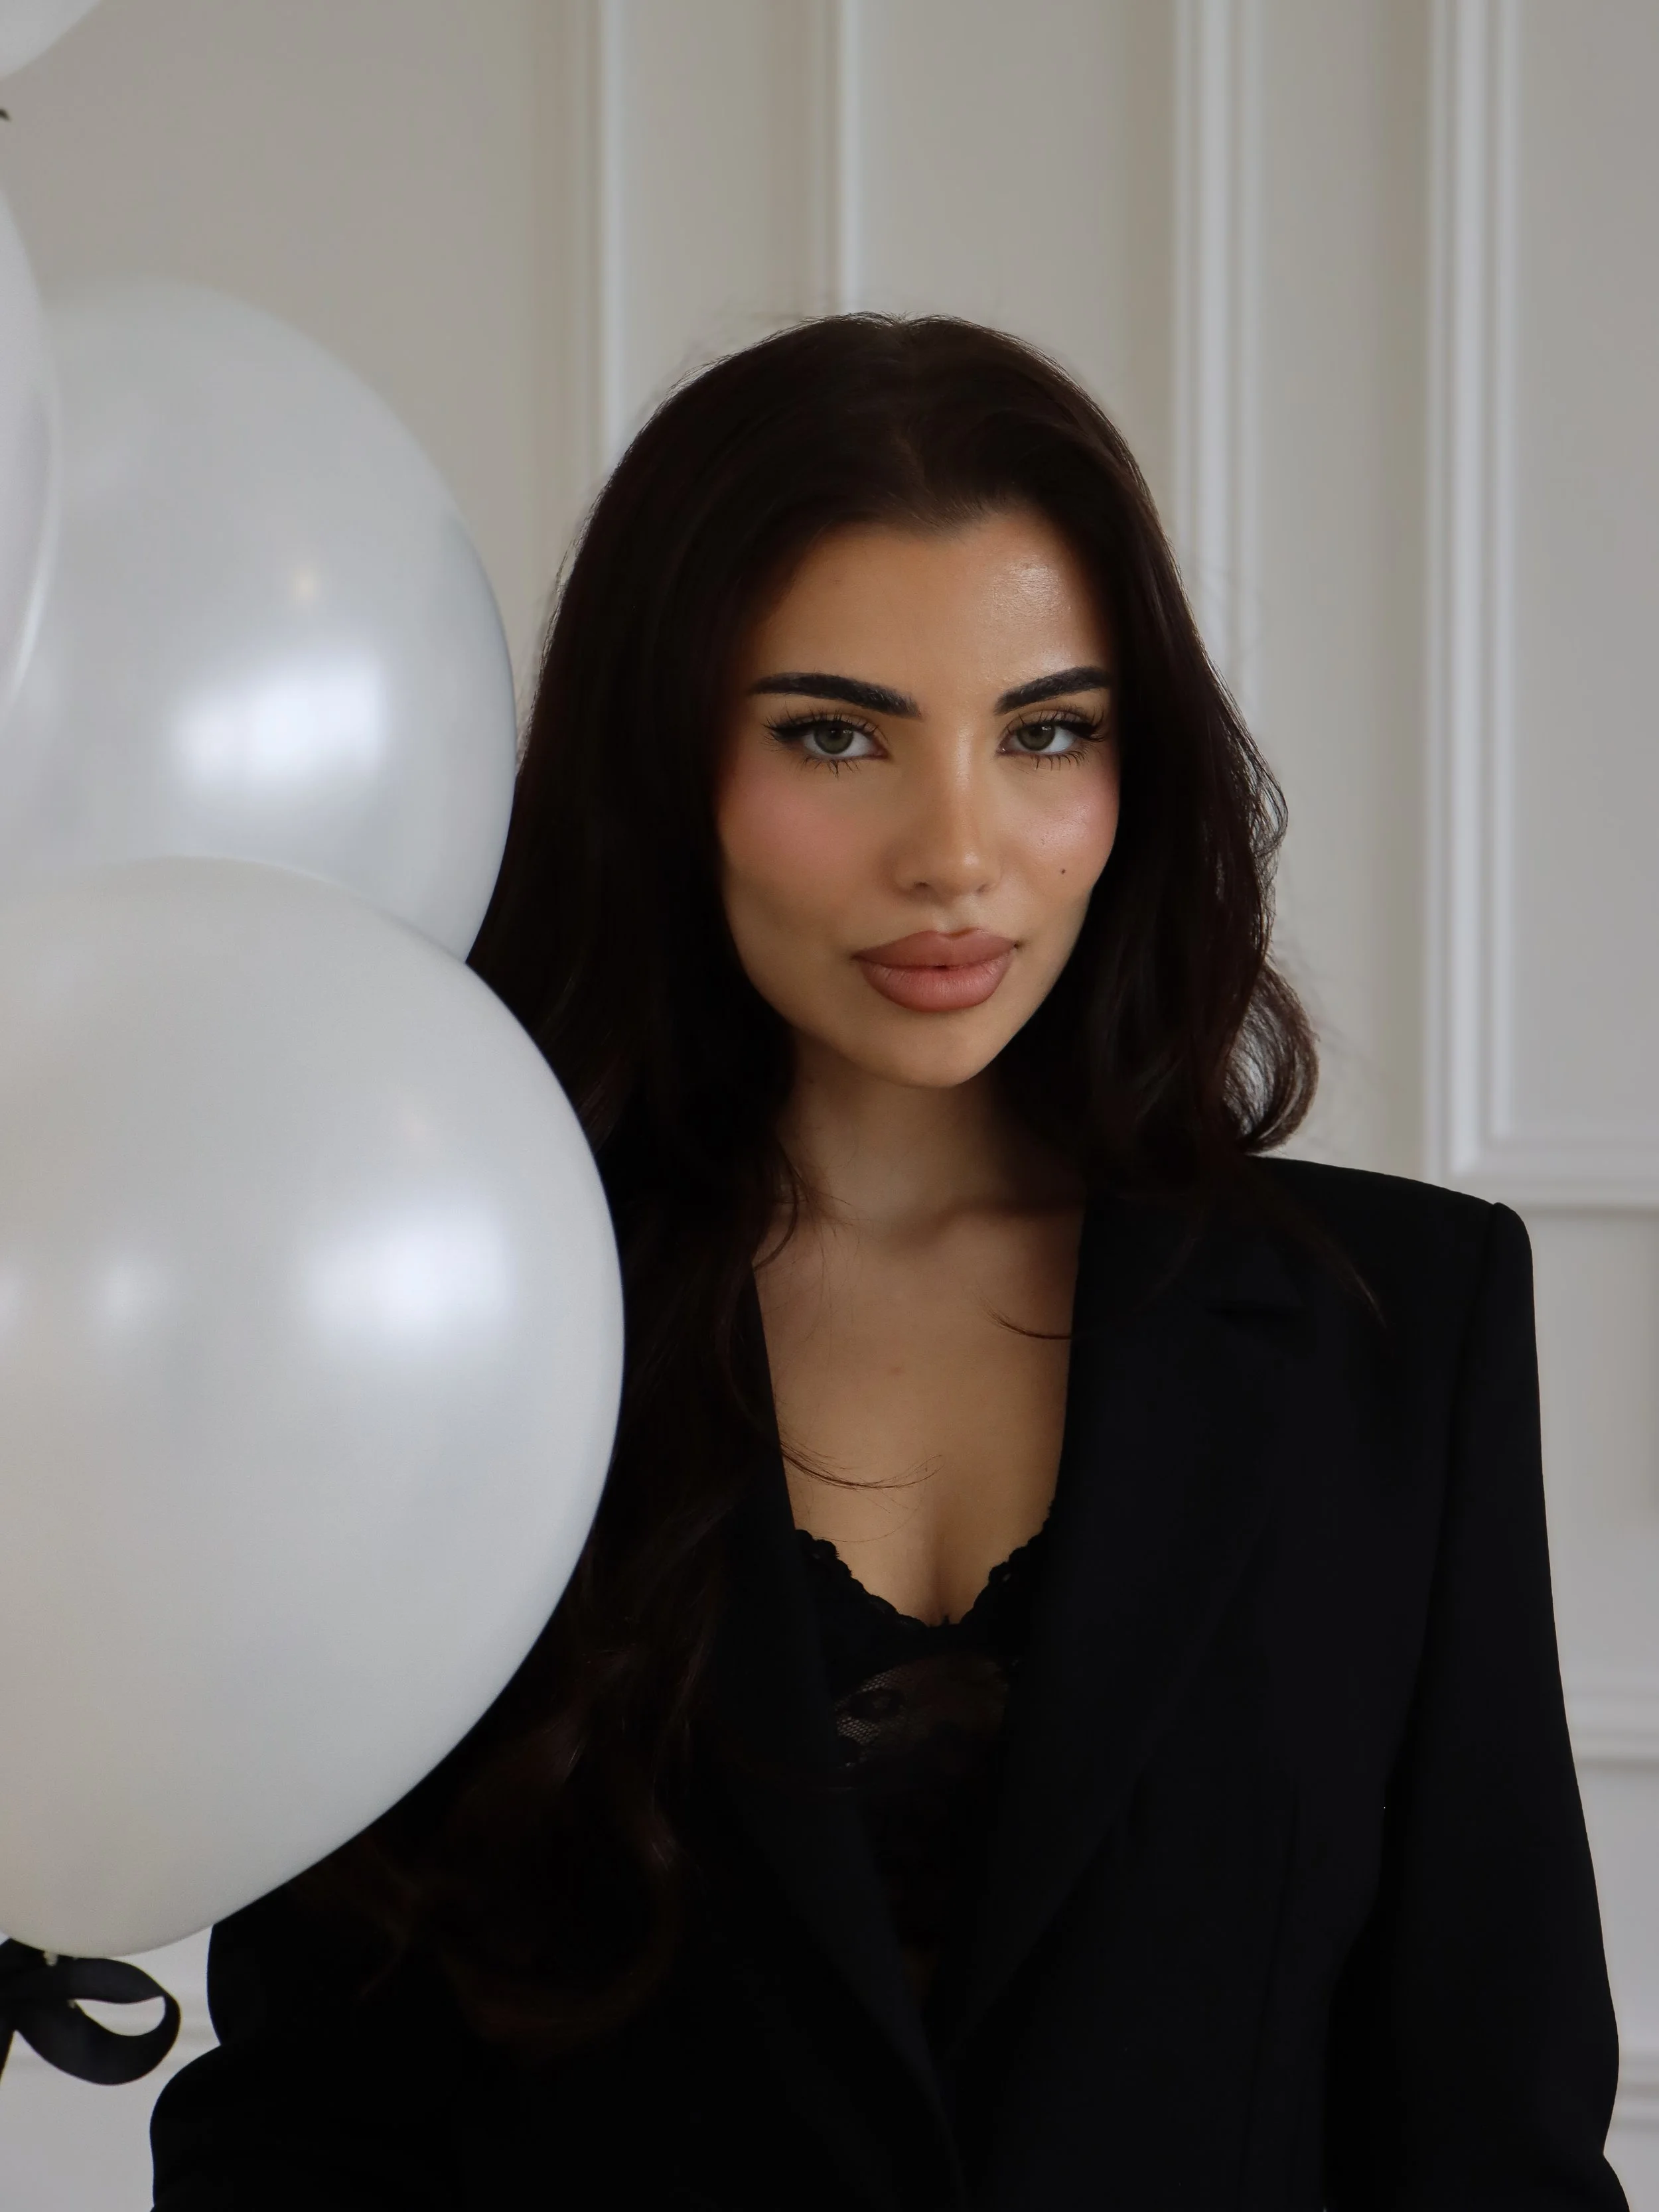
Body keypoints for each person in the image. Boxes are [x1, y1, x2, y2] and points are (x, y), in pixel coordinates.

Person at [149, 315, 1628, 2211]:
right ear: (665, 758)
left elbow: (1490, 2129)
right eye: (833, 734)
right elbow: (309, 2128)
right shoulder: (429, 1324)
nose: (956, 851)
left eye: (1046, 733)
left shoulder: (1392, 1325)